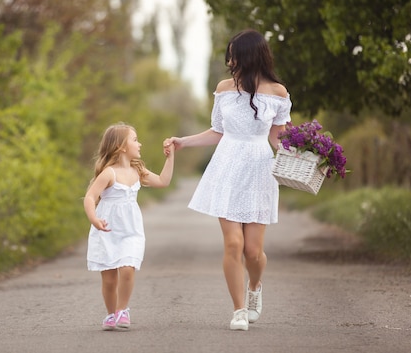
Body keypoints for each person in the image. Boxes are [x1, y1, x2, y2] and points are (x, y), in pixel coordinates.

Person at [163, 29, 291, 331]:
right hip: (227, 167)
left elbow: (279, 138)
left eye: (234, 54)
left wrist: (309, 155)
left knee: (253, 252)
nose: (230, 60)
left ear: (250, 55)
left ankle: (255, 286)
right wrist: (184, 142)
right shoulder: (224, 89)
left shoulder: (278, 93)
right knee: (233, 244)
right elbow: (217, 131)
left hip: (260, 169)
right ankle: (238, 310)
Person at [84, 122, 175, 331]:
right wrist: (94, 219)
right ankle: (110, 314)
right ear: (121, 146)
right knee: (108, 280)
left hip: (131, 232)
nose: (139, 143)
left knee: (127, 268)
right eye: (135, 139)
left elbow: (163, 181)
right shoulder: (109, 173)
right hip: (107, 231)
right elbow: (90, 197)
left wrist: (170, 158)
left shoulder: (138, 170)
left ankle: (122, 310)